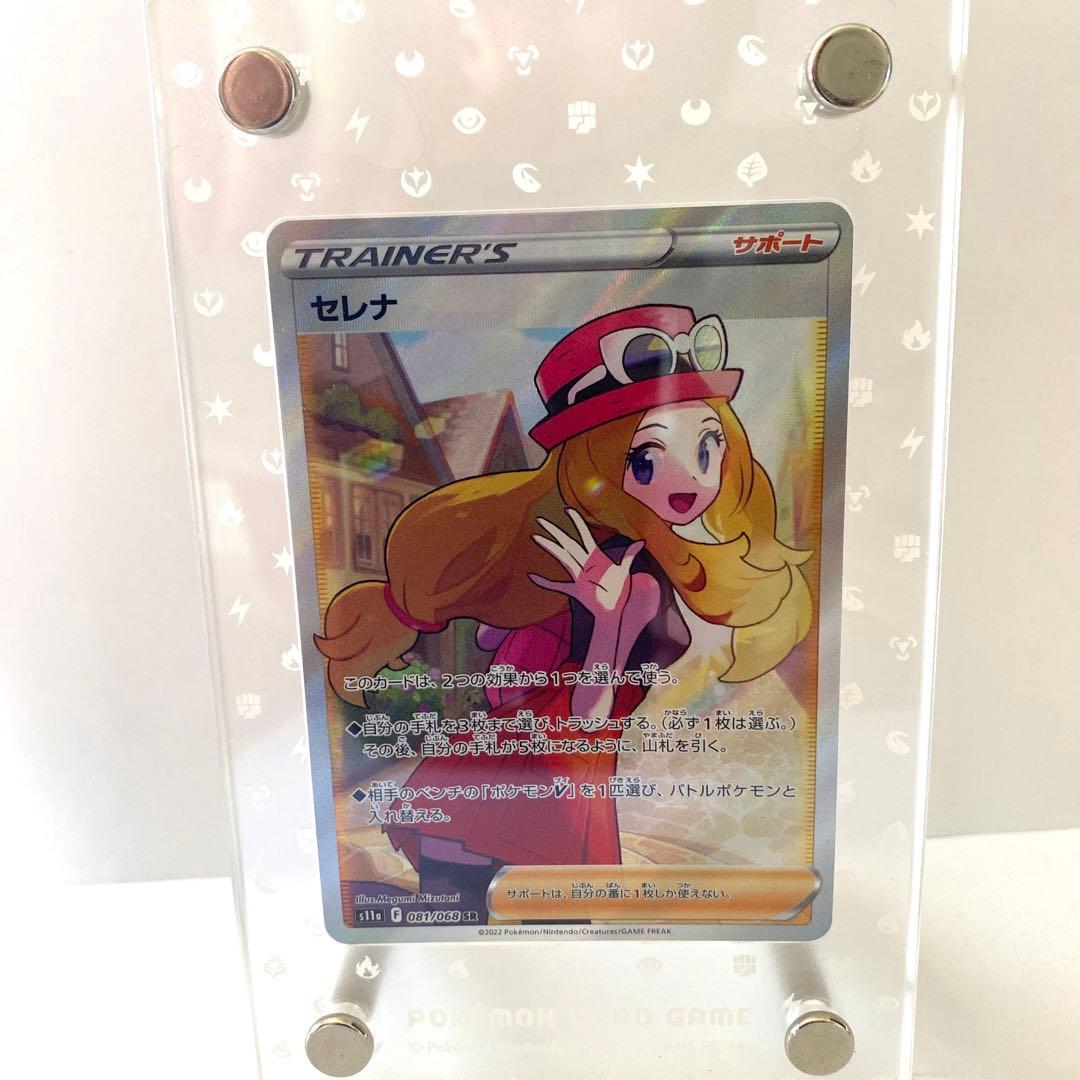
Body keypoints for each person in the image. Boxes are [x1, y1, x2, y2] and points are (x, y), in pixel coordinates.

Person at [317, 305, 812, 920]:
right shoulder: (580, 560)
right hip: (523, 786)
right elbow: (558, 699)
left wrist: (603, 621)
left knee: (533, 929)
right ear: (595, 462)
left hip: (541, 785)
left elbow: (586, 713)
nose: (690, 481)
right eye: (647, 459)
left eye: (708, 449)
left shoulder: (635, 580)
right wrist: (572, 624)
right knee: (486, 927)